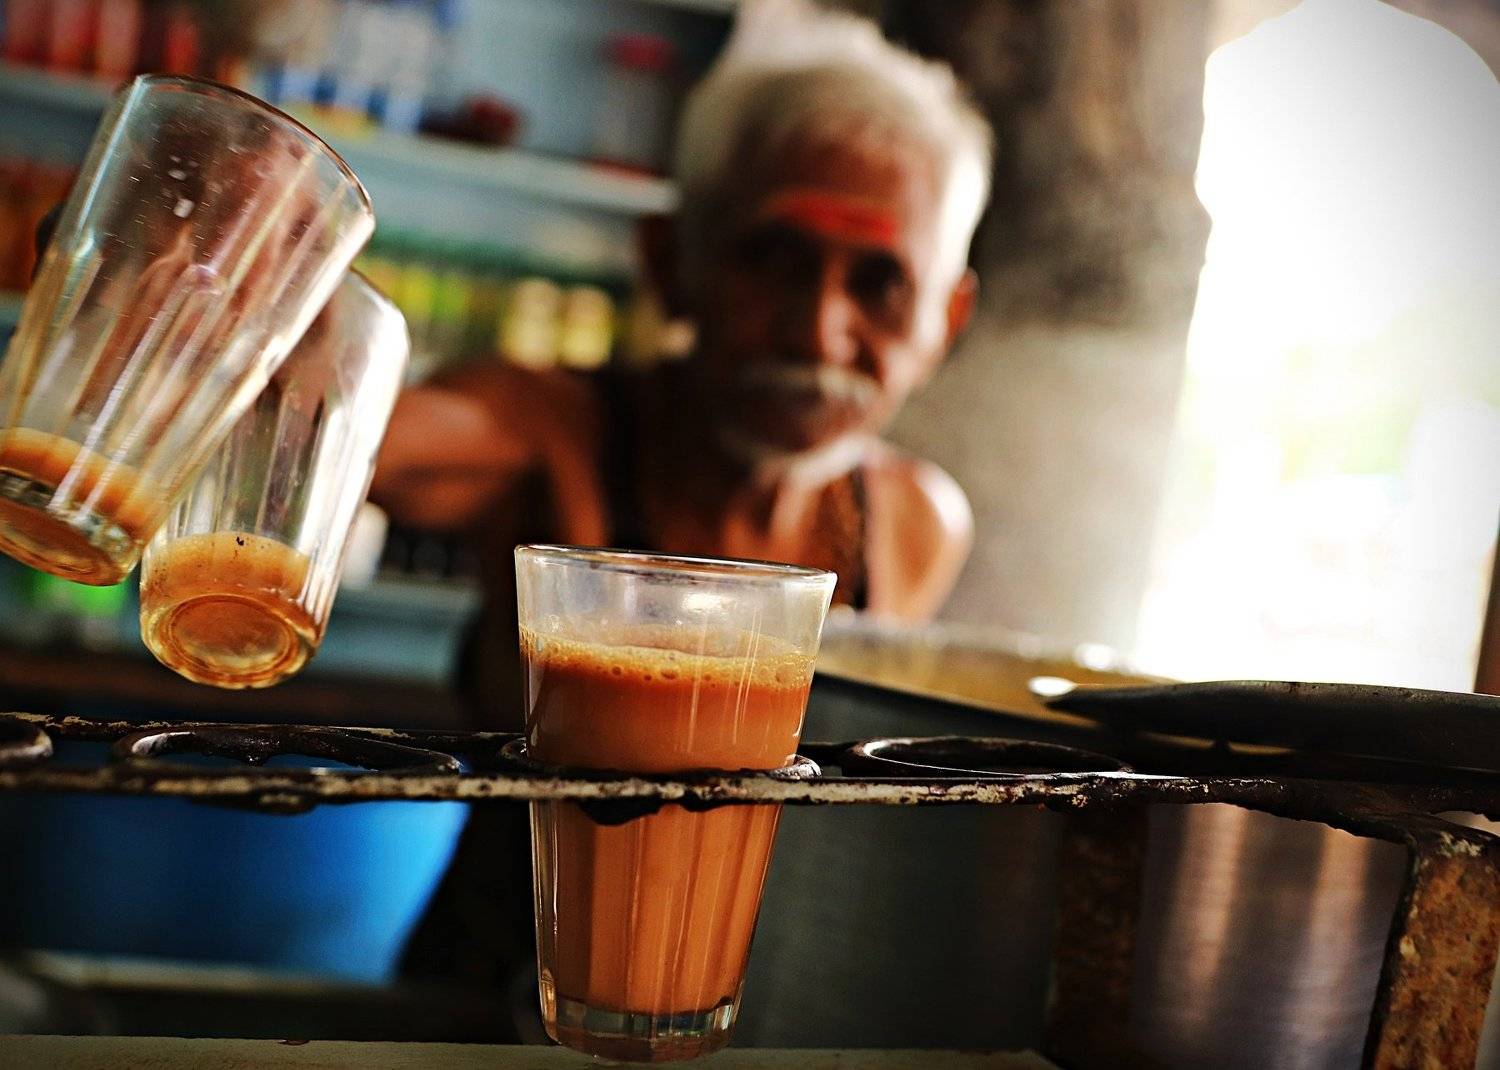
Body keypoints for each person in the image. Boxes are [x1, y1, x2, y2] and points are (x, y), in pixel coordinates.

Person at [370, 0, 994, 724]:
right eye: (773, 262)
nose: (820, 337)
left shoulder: (914, 525)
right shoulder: (546, 433)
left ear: (947, 320)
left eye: (882, 284)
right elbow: (330, 433)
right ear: (669, 264)